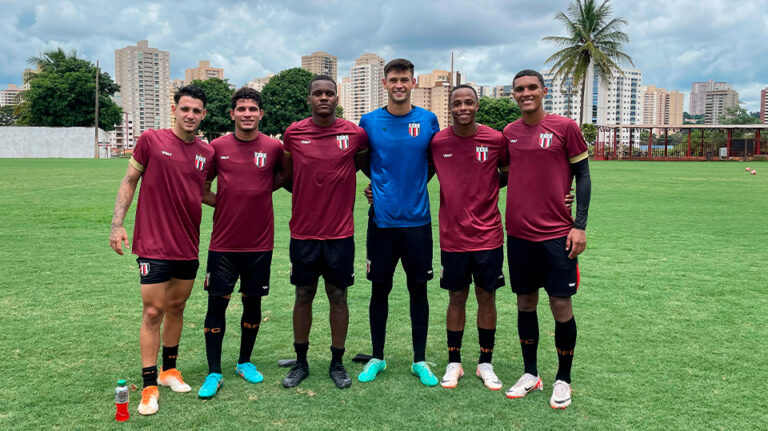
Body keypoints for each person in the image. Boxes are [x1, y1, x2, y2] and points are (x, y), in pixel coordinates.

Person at [109, 85, 213, 415]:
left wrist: (243, 202)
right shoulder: (151, 141)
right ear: (175, 109)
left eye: (197, 111)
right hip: (153, 244)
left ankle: (170, 370)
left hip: (187, 244)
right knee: (154, 311)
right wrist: (117, 224)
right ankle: (150, 384)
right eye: (186, 109)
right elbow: (129, 180)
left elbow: (204, 193)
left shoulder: (206, 153)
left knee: (178, 307)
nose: (191, 115)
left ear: (203, 115)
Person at [503, 70, 591, 410]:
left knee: (560, 305)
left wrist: (579, 225)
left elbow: (583, 176)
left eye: (531, 88)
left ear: (544, 91)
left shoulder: (565, 127)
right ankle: (531, 374)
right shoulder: (509, 133)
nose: (525, 93)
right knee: (525, 303)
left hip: (557, 235)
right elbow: (502, 176)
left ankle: (563, 380)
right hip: (519, 235)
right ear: (513, 94)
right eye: (519, 89)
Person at [280, 75, 369, 389]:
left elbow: (364, 166)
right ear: (309, 99)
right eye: (317, 93)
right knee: (303, 295)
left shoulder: (354, 134)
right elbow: (288, 178)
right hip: (303, 233)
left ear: (337, 97)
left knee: (338, 296)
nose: (323, 98)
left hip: (340, 234)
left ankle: (337, 362)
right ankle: (301, 362)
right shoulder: (294, 133)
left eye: (329, 93)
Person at [196, 87, 285, 399]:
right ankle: (214, 371)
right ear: (231, 113)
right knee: (216, 304)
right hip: (223, 245)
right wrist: (228, 203)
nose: (247, 114)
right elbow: (202, 188)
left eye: (253, 109)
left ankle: (245, 362)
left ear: (261, 114)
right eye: (241, 109)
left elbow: (281, 179)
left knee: (253, 304)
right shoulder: (216, 147)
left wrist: (256, 195)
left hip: (260, 245)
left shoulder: (274, 148)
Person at [357, 58, 441, 387]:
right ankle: (377, 357)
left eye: (405, 79)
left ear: (414, 82)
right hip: (381, 222)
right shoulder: (369, 121)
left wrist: (415, 184)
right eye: (393, 79)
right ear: (384, 83)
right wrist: (378, 186)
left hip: (417, 222)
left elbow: (433, 162)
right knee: (380, 288)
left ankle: (419, 360)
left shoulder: (428, 120)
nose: (399, 84)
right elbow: (363, 159)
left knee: (418, 289)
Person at [430, 85, 508, 390]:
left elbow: (512, 172)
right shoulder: (437, 142)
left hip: (489, 235)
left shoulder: (495, 139)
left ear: (478, 105)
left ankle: (485, 363)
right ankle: (454, 362)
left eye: (469, 102)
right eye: (457, 103)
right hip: (453, 236)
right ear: (450, 107)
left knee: (487, 297)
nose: (463, 107)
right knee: (456, 297)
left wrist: (487, 188)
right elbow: (415, 172)